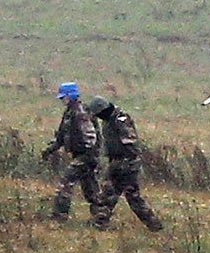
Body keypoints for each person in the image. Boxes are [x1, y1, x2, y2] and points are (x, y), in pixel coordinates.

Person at [87, 96, 162, 231]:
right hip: (117, 162)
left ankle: (154, 225)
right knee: (109, 193)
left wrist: (125, 163)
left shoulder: (121, 120)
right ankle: (99, 222)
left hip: (127, 163)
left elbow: (131, 144)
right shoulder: (108, 121)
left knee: (129, 197)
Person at [43, 81, 101, 221]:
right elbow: (62, 136)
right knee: (91, 190)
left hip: (85, 156)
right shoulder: (69, 112)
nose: (62, 100)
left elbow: (90, 135)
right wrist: (50, 150)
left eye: (64, 97)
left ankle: (59, 216)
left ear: (71, 96)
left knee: (66, 182)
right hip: (80, 154)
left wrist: (89, 155)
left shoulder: (80, 112)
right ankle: (101, 216)